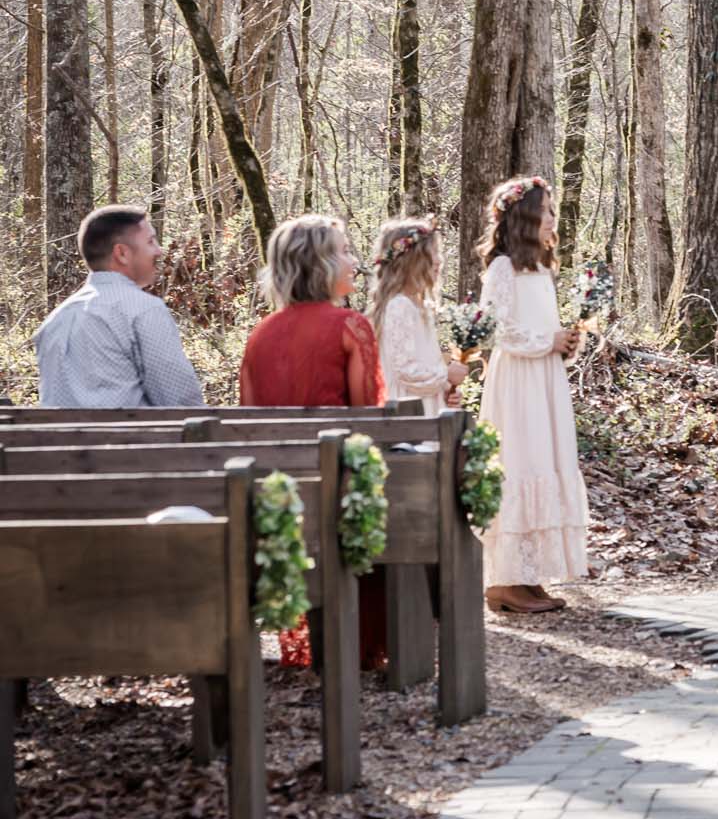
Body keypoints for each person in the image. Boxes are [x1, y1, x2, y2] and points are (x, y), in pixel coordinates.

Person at [239, 214, 388, 668]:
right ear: (320, 262)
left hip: (279, 494)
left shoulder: (260, 334)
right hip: (338, 489)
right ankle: (369, 645)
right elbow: (369, 421)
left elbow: (249, 418)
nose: (354, 261)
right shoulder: (350, 326)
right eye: (345, 251)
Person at [476, 176, 589, 616]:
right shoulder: (502, 268)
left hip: (543, 378)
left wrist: (564, 343)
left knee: (545, 460)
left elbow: (540, 325)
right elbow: (495, 327)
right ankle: (505, 580)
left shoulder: (540, 268)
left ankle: (529, 574)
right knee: (521, 462)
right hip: (518, 381)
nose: (553, 220)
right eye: (548, 211)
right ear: (526, 217)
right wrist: (547, 339)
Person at [35, 205, 205, 407]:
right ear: (122, 253)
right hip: (128, 438)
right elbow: (181, 402)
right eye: (151, 241)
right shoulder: (143, 310)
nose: (159, 250)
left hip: (52, 438)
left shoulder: (55, 320)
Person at [369, 216, 468, 416]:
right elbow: (407, 372)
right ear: (410, 260)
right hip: (407, 411)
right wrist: (446, 375)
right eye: (432, 253)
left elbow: (425, 366)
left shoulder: (420, 307)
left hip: (426, 404)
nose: (439, 259)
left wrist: (447, 390)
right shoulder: (398, 306)